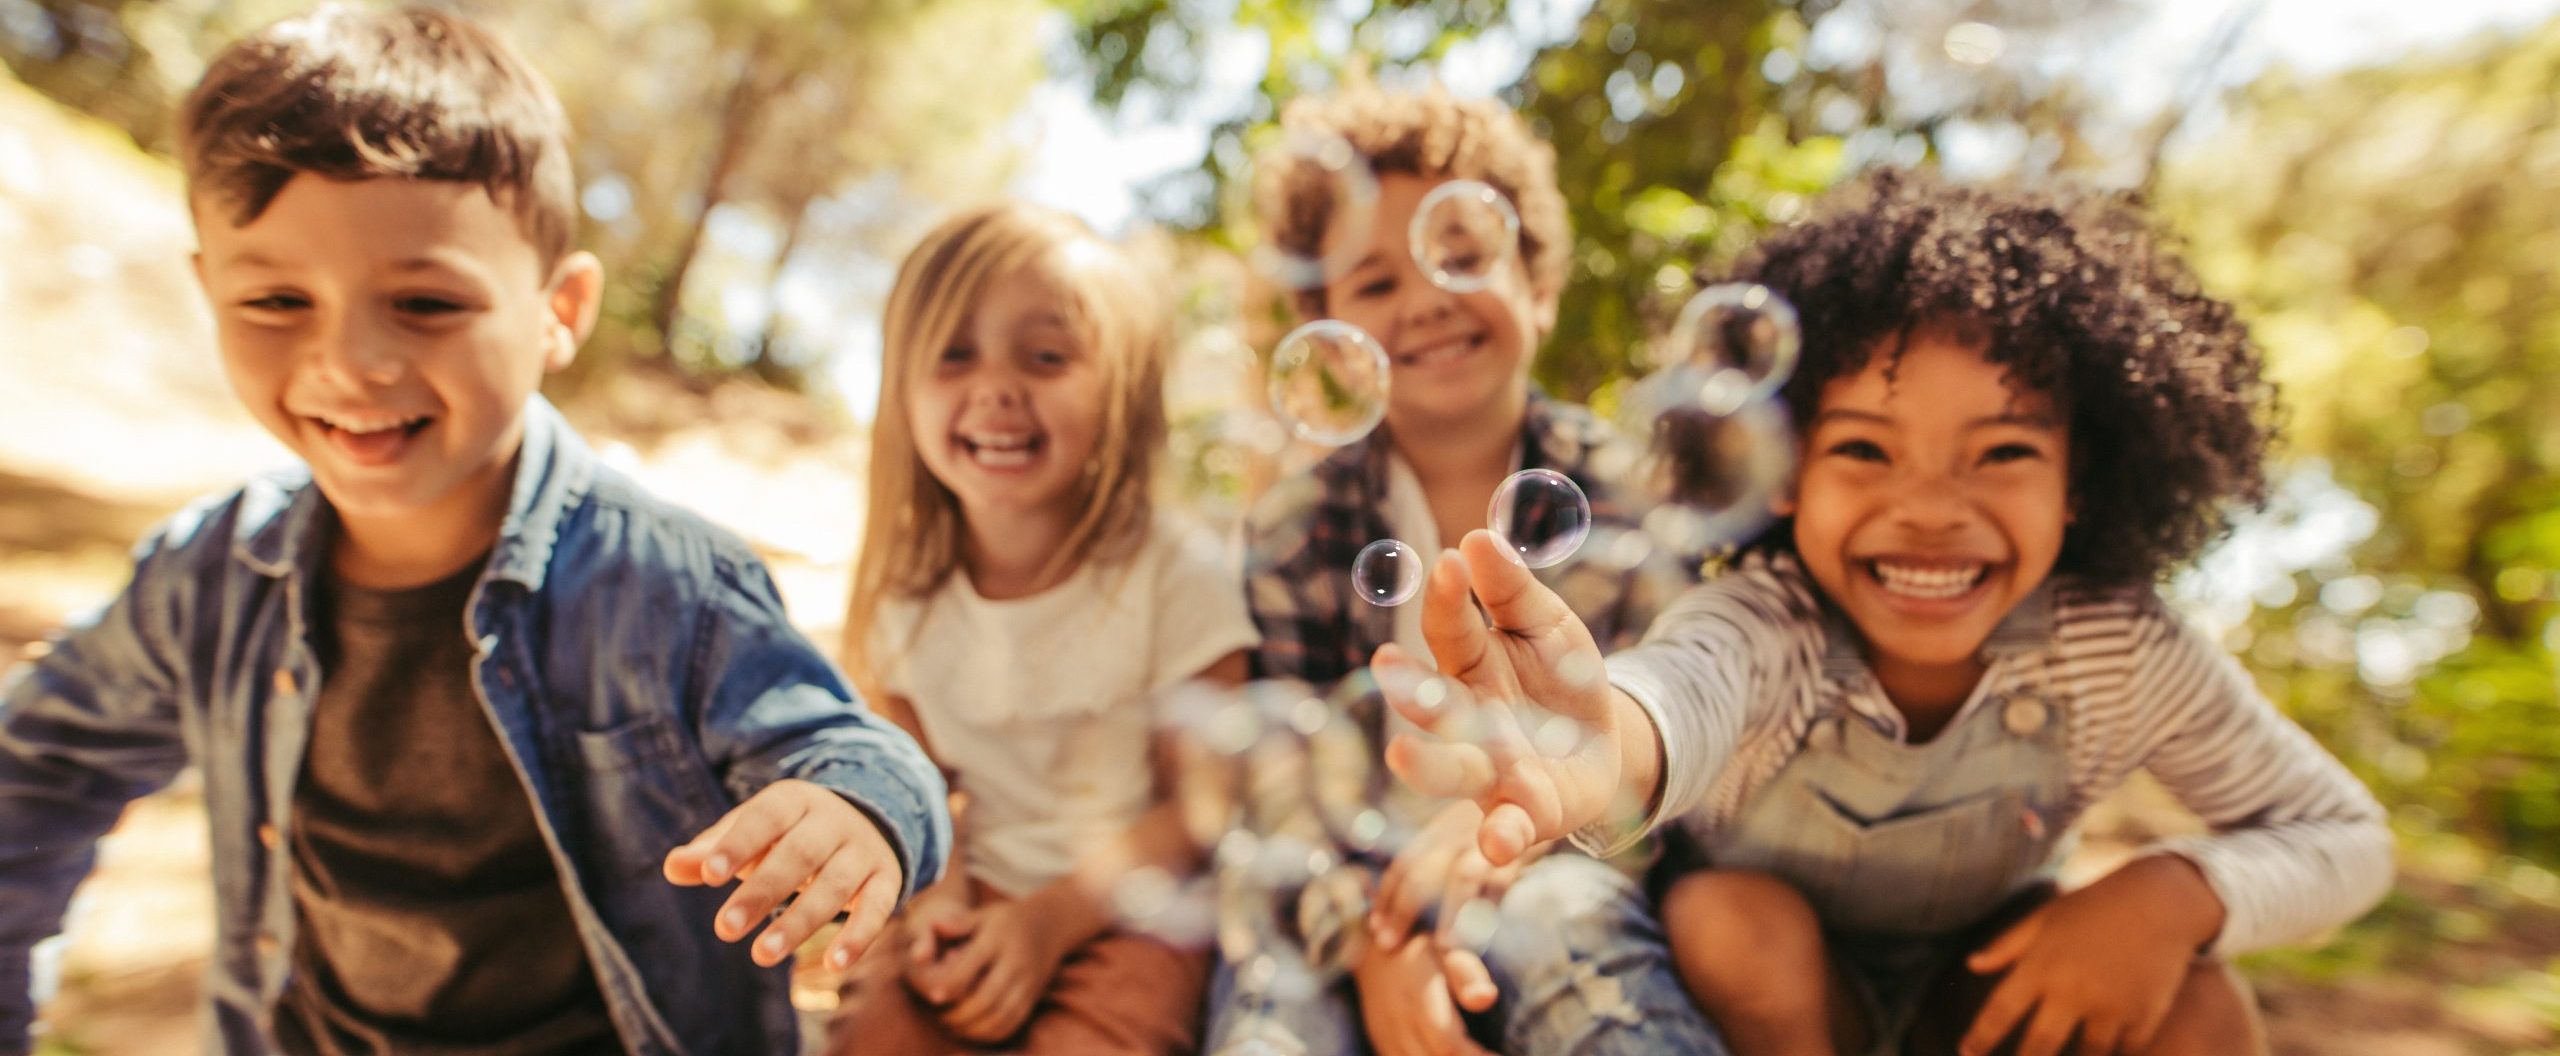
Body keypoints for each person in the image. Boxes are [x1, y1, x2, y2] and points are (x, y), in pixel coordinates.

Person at [0, 8, 949, 1053]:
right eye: (275, 298)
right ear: (207, 291)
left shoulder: (666, 582)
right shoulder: (210, 574)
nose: (350, 360)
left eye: (425, 302)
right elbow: (33, 772)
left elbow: (848, 749)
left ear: (559, 309)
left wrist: (857, 813)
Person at [1376, 168, 2393, 1056]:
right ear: (1778, 472)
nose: (1930, 512)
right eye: (1864, 450)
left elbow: (2346, 836)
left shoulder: (2116, 648)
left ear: (2081, 480)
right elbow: (1678, 690)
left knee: (2198, 996)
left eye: (2002, 453)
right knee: (1735, 916)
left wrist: (2175, 894)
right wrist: (1598, 740)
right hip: (1771, 1004)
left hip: (1989, 991)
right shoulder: (1767, 623)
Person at [1222, 80, 1713, 1056]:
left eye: (1459, 256)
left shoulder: (1623, 498)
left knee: (1583, 958)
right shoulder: (1294, 526)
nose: (1425, 300)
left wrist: (1509, 849)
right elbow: (1280, 778)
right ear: (1328, 336)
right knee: (1273, 1017)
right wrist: (1367, 936)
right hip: (1344, 886)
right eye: (1373, 283)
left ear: (1535, 282)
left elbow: (1658, 753)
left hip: (1560, 866)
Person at [823, 202, 1260, 1054]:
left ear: (1123, 392)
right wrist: (942, 900)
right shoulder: (905, 595)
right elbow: (910, 783)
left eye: (1047, 356)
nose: (994, 388)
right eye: (953, 354)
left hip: (1130, 911)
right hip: (964, 897)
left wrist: (1052, 922)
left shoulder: (1174, 569)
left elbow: (1204, 803)